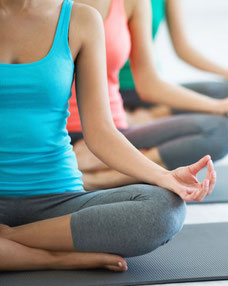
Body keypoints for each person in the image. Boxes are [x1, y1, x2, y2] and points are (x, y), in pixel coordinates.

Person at [0, 0, 215, 272]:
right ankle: (54, 257)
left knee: (165, 209)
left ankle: (9, 241)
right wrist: (56, 260)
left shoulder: (80, 19)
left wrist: (164, 176)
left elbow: (101, 131)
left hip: (57, 199)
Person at [68, 0, 228, 191]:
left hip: (115, 129)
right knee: (165, 214)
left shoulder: (135, 3)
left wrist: (221, 104)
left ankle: (98, 177)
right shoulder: (51, 7)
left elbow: (151, 82)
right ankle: (115, 162)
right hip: (72, 130)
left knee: (222, 130)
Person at [119, 0, 228, 124]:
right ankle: (130, 118)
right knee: (219, 128)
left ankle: (153, 116)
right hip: (116, 91)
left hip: (152, 88)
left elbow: (183, 48)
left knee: (226, 91)